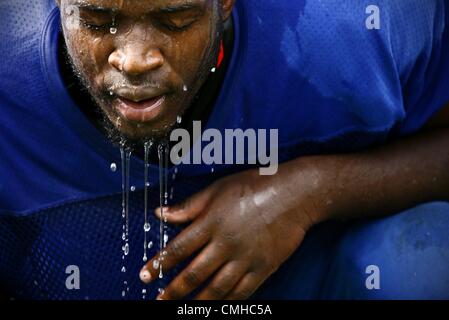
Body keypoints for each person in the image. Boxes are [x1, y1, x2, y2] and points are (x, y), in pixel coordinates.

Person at [0, 0, 448, 300]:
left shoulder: (353, 32)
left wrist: (312, 190)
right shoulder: (9, 83)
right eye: (97, 20)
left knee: (421, 257)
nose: (134, 60)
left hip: (317, 281)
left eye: (175, 19)